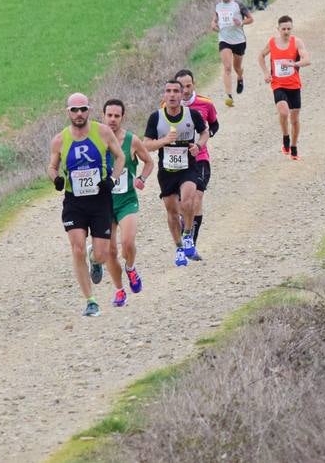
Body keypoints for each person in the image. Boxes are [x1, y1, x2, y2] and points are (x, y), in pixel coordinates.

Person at [47, 92, 126, 316]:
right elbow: (52, 167)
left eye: (83, 109)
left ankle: (96, 260)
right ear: (68, 112)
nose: (79, 114)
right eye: (74, 110)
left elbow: (119, 157)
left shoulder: (102, 131)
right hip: (75, 202)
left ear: (89, 110)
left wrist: (112, 179)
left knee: (101, 253)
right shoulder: (60, 139)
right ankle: (90, 300)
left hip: (100, 200)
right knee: (77, 248)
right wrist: (56, 179)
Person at [142, 80, 210, 266]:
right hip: (167, 171)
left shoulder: (192, 114)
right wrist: (163, 141)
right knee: (172, 211)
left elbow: (205, 132)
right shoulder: (156, 117)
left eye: (175, 91)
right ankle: (179, 247)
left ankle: (188, 235)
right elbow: (146, 144)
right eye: (168, 91)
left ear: (182, 95)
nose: (172, 95)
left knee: (188, 201)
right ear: (164, 95)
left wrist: (198, 145)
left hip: (188, 167)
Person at [102, 98, 154, 306]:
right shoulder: (95, 140)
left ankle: (130, 268)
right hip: (103, 204)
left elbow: (149, 161)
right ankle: (119, 290)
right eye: (109, 115)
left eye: (117, 116)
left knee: (128, 243)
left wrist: (141, 178)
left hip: (126, 201)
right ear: (103, 116)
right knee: (110, 251)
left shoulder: (131, 140)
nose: (113, 119)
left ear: (123, 117)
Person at [174, 69, 218, 261]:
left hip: (200, 158)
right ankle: (185, 229)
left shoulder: (206, 104)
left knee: (196, 199)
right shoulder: (167, 106)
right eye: (180, 87)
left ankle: (191, 243)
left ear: (194, 85)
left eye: (188, 86)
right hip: (176, 162)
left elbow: (215, 125)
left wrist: (203, 138)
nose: (184, 90)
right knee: (182, 204)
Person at [259, 15, 311, 160]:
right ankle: (285, 138)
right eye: (283, 29)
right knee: (283, 112)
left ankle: (293, 147)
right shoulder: (272, 42)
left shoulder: (297, 42)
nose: (286, 31)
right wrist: (265, 73)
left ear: (291, 28)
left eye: (289, 28)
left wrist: (294, 64)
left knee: (294, 119)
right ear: (278, 29)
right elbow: (261, 56)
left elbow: (307, 60)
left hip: (294, 85)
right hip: (278, 84)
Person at [212, 0, 254, 107]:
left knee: (237, 67)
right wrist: (213, 24)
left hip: (239, 40)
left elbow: (251, 19)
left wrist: (241, 23)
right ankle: (229, 95)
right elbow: (215, 19)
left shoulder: (238, 4)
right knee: (227, 68)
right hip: (224, 39)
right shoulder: (218, 6)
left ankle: (240, 77)